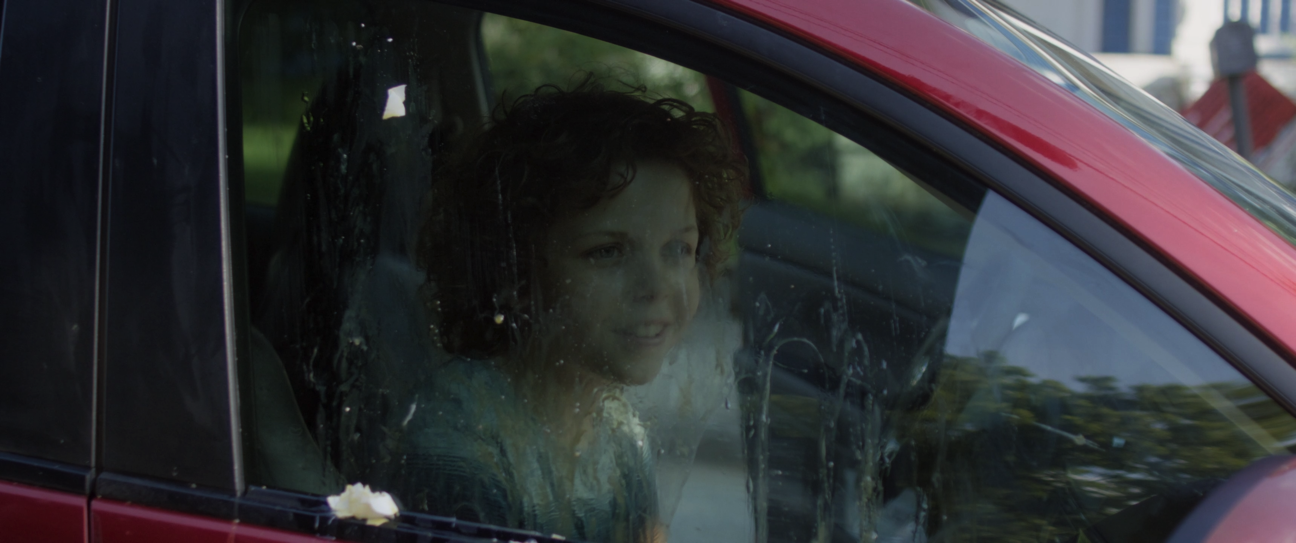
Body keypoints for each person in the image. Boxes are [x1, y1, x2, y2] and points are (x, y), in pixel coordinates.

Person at [380, 79, 747, 542]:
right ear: (515, 272)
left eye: (678, 249)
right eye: (607, 252)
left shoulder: (617, 429)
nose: (657, 287)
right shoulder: (458, 448)